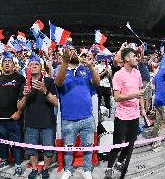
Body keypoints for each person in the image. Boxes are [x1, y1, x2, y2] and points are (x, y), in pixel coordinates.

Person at [55, 46, 100, 179]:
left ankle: (87, 169)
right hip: (68, 118)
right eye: (69, 51)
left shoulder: (85, 69)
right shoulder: (60, 69)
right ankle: (68, 169)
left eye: (74, 50)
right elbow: (58, 83)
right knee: (68, 148)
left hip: (87, 117)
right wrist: (65, 61)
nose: (72, 53)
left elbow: (97, 83)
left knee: (88, 146)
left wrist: (91, 67)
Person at [104, 48, 147, 179]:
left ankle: (119, 163)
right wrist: (134, 95)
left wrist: (143, 109)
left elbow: (140, 93)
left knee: (130, 144)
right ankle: (109, 169)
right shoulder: (119, 75)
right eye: (134, 56)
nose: (137, 58)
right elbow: (116, 97)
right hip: (122, 116)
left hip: (135, 116)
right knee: (117, 145)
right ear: (127, 59)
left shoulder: (137, 73)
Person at [17, 55, 58, 179]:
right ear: (28, 68)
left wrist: (45, 91)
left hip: (48, 123)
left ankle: (45, 169)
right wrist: (25, 96)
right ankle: (34, 169)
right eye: (31, 64)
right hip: (30, 123)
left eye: (36, 64)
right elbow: (19, 106)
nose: (33, 66)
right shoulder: (25, 84)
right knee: (31, 150)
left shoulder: (49, 81)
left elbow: (56, 102)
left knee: (48, 150)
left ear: (41, 68)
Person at [0, 52, 25, 176]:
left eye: (9, 62)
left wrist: (19, 112)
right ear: (2, 65)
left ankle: (18, 164)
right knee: (1, 142)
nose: (7, 63)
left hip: (14, 118)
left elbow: (23, 98)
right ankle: (4, 159)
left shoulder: (20, 78)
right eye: (5, 62)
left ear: (14, 65)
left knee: (16, 142)